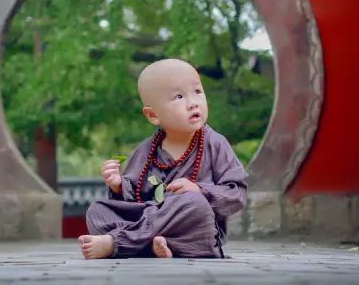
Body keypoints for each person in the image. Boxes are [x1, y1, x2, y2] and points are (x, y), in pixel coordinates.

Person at [78, 58, 248, 259]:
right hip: (152, 222)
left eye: (197, 91)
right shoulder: (147, 150)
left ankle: (119, 243)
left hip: (192, 229)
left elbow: (236, 193)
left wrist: (200, 190)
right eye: (179, 96)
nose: (193, 103)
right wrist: (118, 186)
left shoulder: (215, 143)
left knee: (193, 202)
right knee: (97, 210)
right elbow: (136, 198)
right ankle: (153, 246)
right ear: (153, 115)